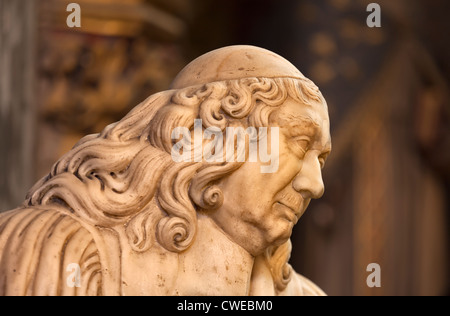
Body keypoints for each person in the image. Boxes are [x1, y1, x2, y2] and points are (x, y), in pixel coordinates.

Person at [0, 46, 331, 296]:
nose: (315, 186)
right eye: (301, 144)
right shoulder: (56, 250)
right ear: (215, 134)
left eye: (321, 160)